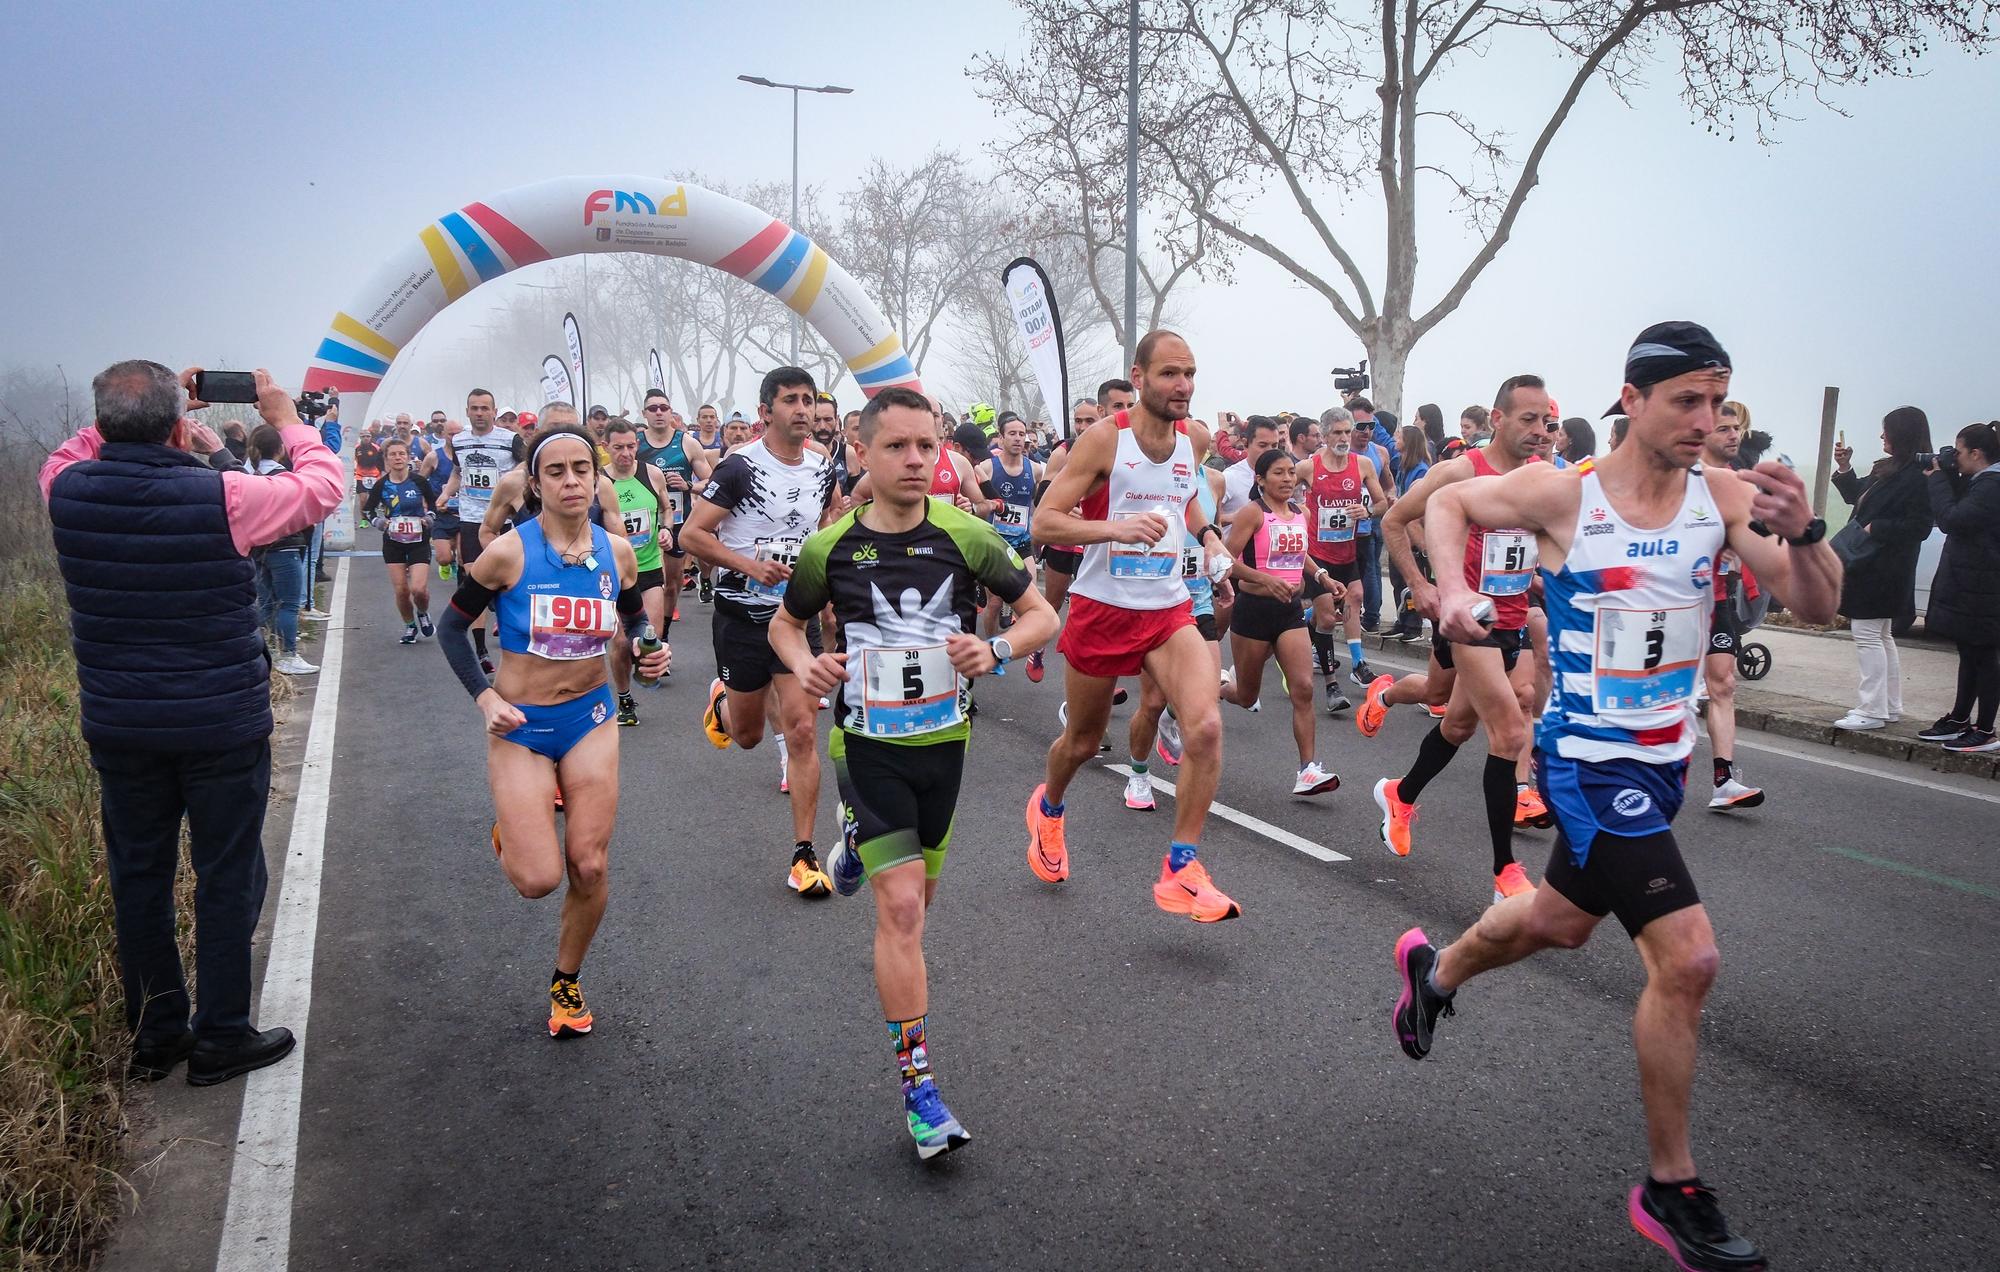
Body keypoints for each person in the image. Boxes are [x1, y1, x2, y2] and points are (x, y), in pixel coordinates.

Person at [1390, 321, 1840, 1272]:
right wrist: (1451, 596)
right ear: (1631, 400)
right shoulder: (1567, 494)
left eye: (1717, 403)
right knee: (1689, 960)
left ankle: (1432, 975)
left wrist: (1805, 533)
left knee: (1557, 922)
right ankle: (1670, 1189)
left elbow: (1814, 604)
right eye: (1687, 400)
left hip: (1661, 766)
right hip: (1588, 767)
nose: (1707, 421)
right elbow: (1450, 503)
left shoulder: (1722, 497)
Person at [771, 387, 1057, 1160]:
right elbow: (785, 623)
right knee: (900, 913)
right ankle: (921, 1092)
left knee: (921, 903)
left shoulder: (967, 534)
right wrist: (807, 665)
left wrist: (994, 651)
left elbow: (1041, 617)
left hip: (945, 744)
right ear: (861, 453)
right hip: (867, 745)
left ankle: (854, 844)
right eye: (897, 447)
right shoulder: (830, 549)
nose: (916, 461)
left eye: (927, 447)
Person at [41, 363, 345, 1085]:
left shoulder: (66, 488)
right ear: (180, 423)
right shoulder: (227, 493)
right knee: (227, 875)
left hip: (121, 723)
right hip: (218, 722)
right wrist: (286, 415)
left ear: (103, 423)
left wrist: (147, 411)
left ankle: (156, 1033)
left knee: (138, 876)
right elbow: (325, 487)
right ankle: (222, 1036)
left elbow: (73, 449)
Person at [436, 427, 667, 1038]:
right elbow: (451, 629)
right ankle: (515, 830)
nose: (571, 481)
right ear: (534, 484)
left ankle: (566, 979)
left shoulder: (616, 552)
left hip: (589, 718)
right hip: (520, 725)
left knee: (588, 866)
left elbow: (635, 614)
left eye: (581, 469)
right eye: (557, 471)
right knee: (538, 879)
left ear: (597, 478)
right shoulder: (508, 552)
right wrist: (484, 698)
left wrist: (647, 647)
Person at [1026, 330, 1241, 922]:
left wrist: (1211, 541)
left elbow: (1184, 502)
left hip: (1168, 608)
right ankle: (1049, 808)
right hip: (1102, 606)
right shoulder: (1103, 441)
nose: (1184, 385)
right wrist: (1113, 530)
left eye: (1191, 373)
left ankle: (1182, 868)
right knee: (1084, 743)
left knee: (1204, 728)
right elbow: (1043, 523)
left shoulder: (1192, 440)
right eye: (1171, 373)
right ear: (1139, 377)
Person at [1373, 375, 1553, 902]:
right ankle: (1505, 875)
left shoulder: (1543, 479)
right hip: (1469, 623)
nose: (1540, 431)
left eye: (1546, 421)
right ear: (1497, 420)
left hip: (1515, 618)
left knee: (1456, 725)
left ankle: (1399, 795)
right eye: (1528, 420)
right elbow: (1394, 520)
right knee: (1511, 729)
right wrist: (1424, 584)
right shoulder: (1459, 472)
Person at [681, 366, 839, 894]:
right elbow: (691, 535)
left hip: (794, 620)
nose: (803, 409)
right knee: (747, 736)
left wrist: (832, 587)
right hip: (742, 616)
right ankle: (722, 703)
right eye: (791, 400)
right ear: (766, 411)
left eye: (808, 400)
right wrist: (750, 566)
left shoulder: (822, 468)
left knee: (801, 728)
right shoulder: (739, 468)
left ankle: (804, 854)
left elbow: (823, 533)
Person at [1213, 448, 1343, 797]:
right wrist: (1263, 579)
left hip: (1289, 613)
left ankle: (1308, 770)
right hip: (1253, 610)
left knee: (1303, 688)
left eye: (1290, 473)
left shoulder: (1299, 513)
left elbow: (1301, 556)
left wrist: (1323, 577)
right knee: (1245, 694)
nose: (1287, 480)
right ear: (1260, 479)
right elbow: (1223, 560)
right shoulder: (1252, 514)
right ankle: (1213, 691)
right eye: (1278, 473)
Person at [1829, 407, 1936, 732]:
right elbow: (1856, 496)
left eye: (1886, 430)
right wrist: (1844, 467)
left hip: (1884, 567)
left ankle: (1872, 709)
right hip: (1876, 564)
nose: (1881, 436)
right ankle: (1888, 706)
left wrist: (1877, 528)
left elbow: (1921, 526)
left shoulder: (1921, 475)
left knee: (1867, 635)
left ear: (1901, 434)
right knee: (1881, 634)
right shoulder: (1891, 468)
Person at [1690, 410, 1766, 809]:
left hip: (1719, 597)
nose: (1734, 435)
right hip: (1676, 603)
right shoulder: (1686, 480)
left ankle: (1724, 781)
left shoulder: (1738, 483)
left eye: (1736, 428)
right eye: (1724, 429)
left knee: (1723, 684)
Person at [1917, 421, 2000, 752]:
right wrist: (1949, 474)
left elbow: (1952, 519)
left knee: (1985, 658)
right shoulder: (1980, 482)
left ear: (1977, 453)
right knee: (1969, 653)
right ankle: (1960, 720)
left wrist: (1937, 479)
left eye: (1960, 452)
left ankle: (1985, 729)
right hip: (1973, 583)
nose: (1957, 458)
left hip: (1987, 586)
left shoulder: (1992, 486)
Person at [1303, 406, 1389, 711]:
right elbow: (1278, 494)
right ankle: (1331, 685)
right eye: (1337, 432)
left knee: (1356, 597)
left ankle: (1357, 663)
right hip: (1317, 556)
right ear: (1325, 435)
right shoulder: (1308, 467)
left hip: (1348, 551)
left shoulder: (1363, 464)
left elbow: (1382, 503)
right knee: (1327, 617)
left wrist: (1366, 511)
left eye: (1346, 431)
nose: (1343, 437)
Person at [439, 388, 527, 673]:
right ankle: (480, 652)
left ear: (493, 411)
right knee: (477, 580)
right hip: (472, 518)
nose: (479, 413)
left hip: (505, 519)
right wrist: (445, 493)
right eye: (474, 408)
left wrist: (512, 486)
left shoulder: (509, 440)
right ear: (467, 411)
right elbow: (457, 471)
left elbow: (529, 465)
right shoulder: (460, 440)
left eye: (484, 408)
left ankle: (514, 637)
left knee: (509, 581)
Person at [1023, 394, 1104, 683]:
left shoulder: (1114, 449)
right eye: (1078, 421)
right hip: (1063, 538)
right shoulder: (1063, 451)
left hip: (1094, 540)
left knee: (1091, 607)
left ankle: (1097, 670)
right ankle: (1038, 648)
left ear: (1102, 418)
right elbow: (1041, 496)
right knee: (1054, 602)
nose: (1082, 426)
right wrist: (1068, 506)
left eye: (1089, 420)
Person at [601, 418, 672, 724]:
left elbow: (667, 509)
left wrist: (667, 530)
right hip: (613, 574)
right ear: (606, 448)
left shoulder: (652, 474)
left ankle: (640, 666)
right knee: (618, 641)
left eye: (631, 446)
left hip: (649, 565)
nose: (626, 453)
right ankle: (625, 698)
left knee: (646, 638)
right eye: (618, 448)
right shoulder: (599, 482)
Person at [239, 424, 320, 676]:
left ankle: (266, 651)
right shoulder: (284, 476)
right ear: (280, 449)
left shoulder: (246, 474)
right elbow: (300, 513)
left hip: (257, 548)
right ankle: (288, 654)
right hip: (284, 546)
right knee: (289, 604)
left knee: (266, 602)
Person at [636, 387, 715, 642]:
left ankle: (663, 635)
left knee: (671, 584)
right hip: (643, 525)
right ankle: (644, 634)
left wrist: (689, 486)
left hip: (678, 522)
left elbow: (713, 483)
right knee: (640, 584)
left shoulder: (686, 443)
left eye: (664, 408)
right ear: (644, 413)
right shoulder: (636, 443)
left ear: (671, 412)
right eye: (653, 408)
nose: (659, 413)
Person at [358, 438, 440, 645]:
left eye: (401, 454)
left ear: (408, 457)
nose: (398, 458)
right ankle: (410, 626)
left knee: (418, 589)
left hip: (418, 540)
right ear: (386, 459)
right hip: (393, 542)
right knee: (402, 590)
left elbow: (433, 505)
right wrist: (380, 523)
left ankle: (422, 612)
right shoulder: (381, 485)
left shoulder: (419, 482)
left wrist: (428, 518)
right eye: (393, 454)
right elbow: (367, 510)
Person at [974, 414, 1042, 639]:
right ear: (1001, 438)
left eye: (1022, 434)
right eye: (1012, 434)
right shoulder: (987, 468)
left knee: (1030, 592)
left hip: (1022, 541)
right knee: (994, 602)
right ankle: (991, 645)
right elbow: (977, 504)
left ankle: (1022, 642)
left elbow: (1037, 502)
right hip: (995, 543)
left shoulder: (1035, 469)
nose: (1018, 439)